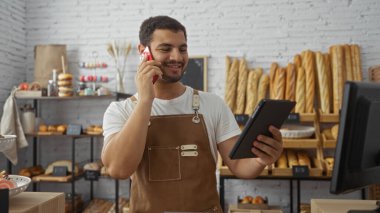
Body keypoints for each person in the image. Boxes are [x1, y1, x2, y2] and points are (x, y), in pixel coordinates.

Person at [102, 15, 283, 213]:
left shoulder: (212, 104)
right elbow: (118, 169)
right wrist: (146, 100)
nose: (177, 57)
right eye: (165, 48)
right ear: (143, 52)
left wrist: (260, 159)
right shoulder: (121, 111)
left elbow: (240, 166)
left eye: (182, 49)